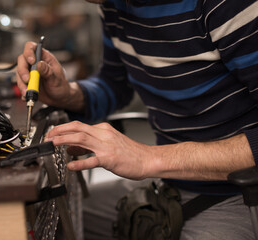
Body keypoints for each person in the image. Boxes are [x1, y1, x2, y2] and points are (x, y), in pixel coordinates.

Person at [17, 0, 258, 239]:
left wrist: (150, 158)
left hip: (240, 193)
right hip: (171, 182)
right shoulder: (111, 5)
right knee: (44, 223)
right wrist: (67, 94)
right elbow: (115, 84)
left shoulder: (228, 6)